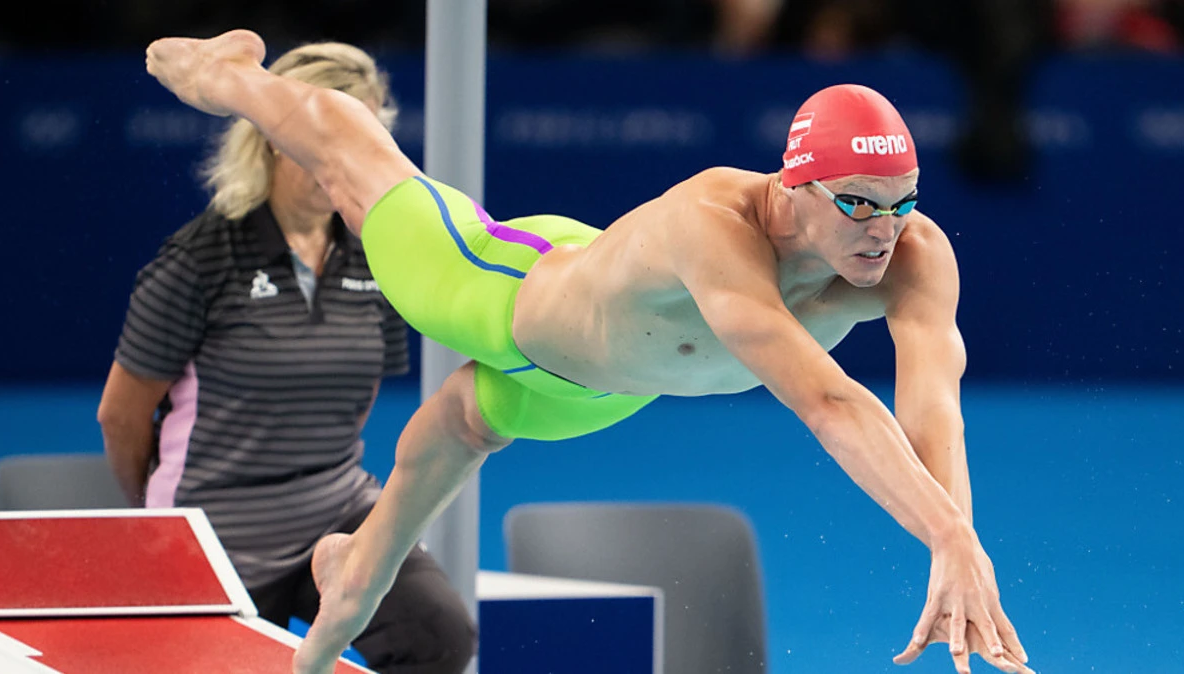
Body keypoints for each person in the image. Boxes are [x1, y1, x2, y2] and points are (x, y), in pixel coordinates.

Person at [144, 29, 1036, 674]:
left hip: (608, 386)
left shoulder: (914, 254)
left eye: (901, 200)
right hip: (507, 292)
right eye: (856, 204)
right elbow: (831, 401)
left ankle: (352, 565)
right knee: (353, 164)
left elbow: (932, 405)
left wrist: (954, 541)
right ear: (792, 186)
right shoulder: (717, 226)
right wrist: (949, 534)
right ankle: (229, 72)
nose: (884, 229)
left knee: (457, 431)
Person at [98, 40, 476, 673]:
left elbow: (350, 402)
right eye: (328, 140)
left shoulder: (379, 257)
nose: (344, 165)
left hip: (337, 512)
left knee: (440, 636)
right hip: (215, 528)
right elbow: (121, 416)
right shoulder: (198, 262)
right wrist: (167, 526)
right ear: (276, 134)